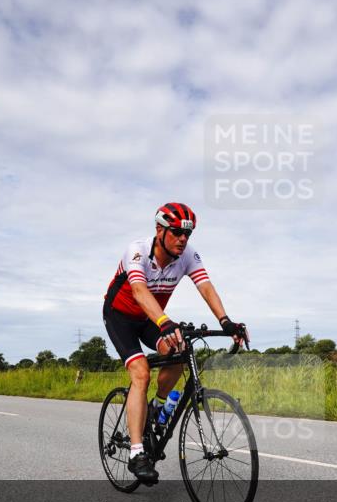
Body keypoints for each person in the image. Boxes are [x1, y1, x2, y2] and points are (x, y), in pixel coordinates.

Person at [103, 202, 247, 484]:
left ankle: (156, 406)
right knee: (141, 373)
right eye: (177, 233)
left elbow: (205, 286)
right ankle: (136, 453)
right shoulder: (138, 251)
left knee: (179, 349)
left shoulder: (188, 256)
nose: (183, 239)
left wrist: (226, 321)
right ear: (159, 230)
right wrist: (165, 322)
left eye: (188, 234)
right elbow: (139, 290)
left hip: (150, 319)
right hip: (120, 316)